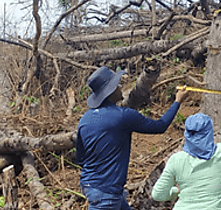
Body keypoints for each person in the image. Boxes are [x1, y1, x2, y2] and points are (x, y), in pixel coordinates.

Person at [76, 66, 189, 210]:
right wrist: (177, 101)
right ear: (110, 91)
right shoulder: (123, 116)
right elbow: (160, 126)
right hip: (107, 195)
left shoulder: (85, 119)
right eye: (116, 85)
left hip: (90, 187)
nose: (120, 87)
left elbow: (80, 158)